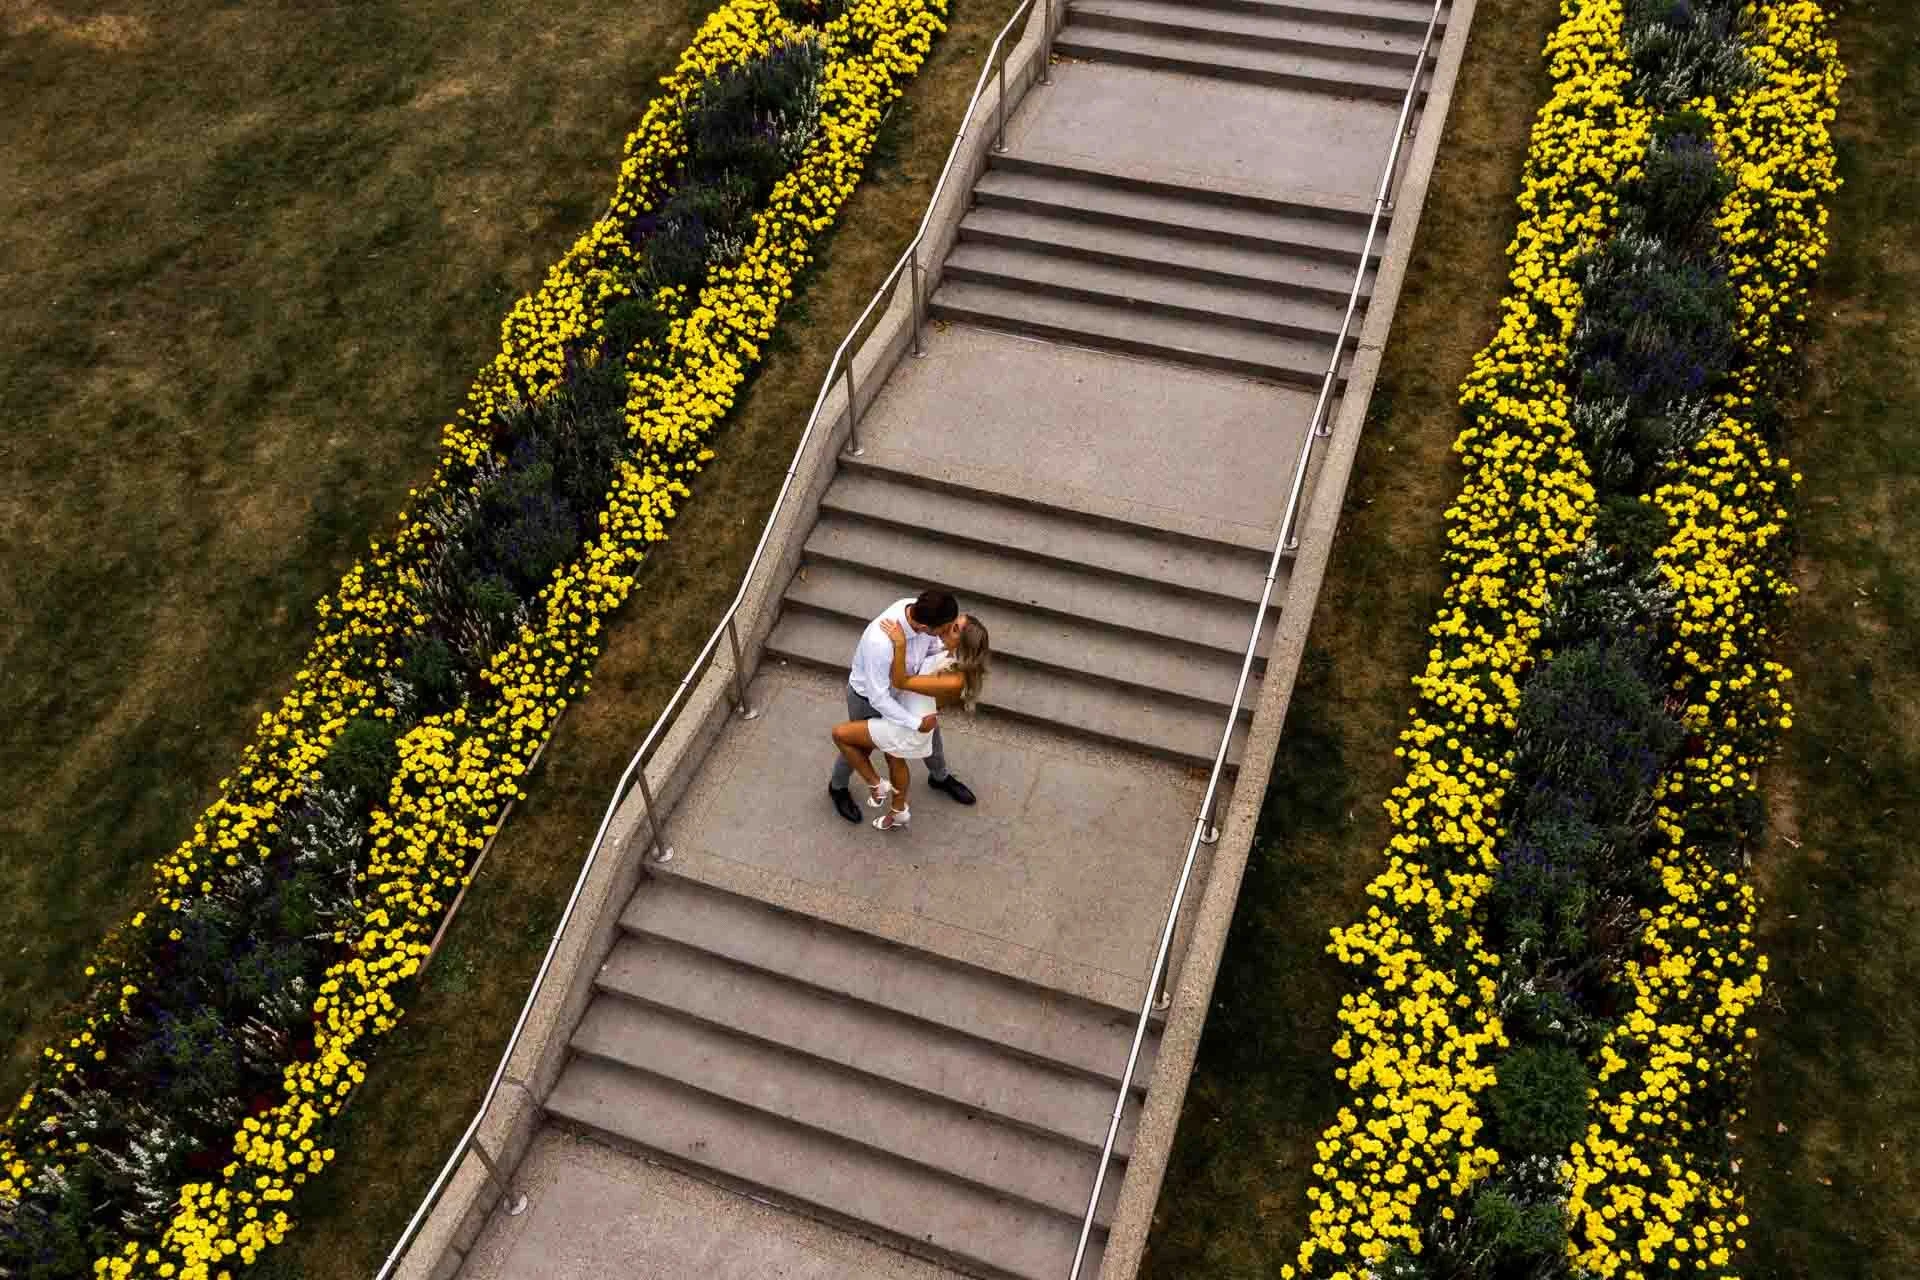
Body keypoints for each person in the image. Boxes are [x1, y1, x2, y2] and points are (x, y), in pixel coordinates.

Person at [826, 590, 979, 823]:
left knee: (933, 739)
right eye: (946, 628)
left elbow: (930, 649)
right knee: (859, 747)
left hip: (904, 693)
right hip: (868, 700)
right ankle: (838, 788)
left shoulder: (918, 612)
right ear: (926, 627)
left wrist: (952, 650)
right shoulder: (880, 642)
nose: (947, 632)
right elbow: (879, 697)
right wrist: (915, 723)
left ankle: (939, 778)